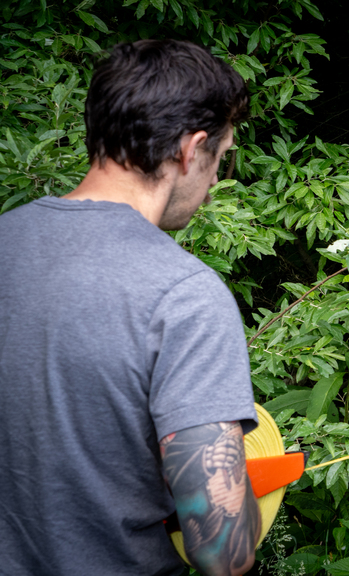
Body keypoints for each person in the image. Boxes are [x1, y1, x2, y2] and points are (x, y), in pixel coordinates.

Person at [0, 40, 261, 576]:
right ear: (191, 150)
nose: (215, 181)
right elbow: (224, 551)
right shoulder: (186, 296)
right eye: (221, 158)